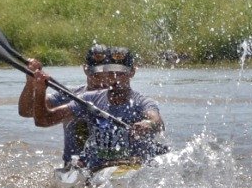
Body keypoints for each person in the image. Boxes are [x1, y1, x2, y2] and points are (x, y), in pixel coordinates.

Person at [31, 46, 167, 172]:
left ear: (132, 72)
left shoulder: (142, 102)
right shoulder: (89, 100)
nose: (115, 78)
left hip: (131, 167)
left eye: (121, 73)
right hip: (99, 170)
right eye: (110, 72)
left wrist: (149, 124)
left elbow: (157, 121)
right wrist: (40, 90)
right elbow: (42, 120)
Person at [17, 44, 115, 169]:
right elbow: (25, 111)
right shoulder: (70, 95)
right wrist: (30, 83)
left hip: (108, 165)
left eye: (106, 73)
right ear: (85, 69)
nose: (101, 79)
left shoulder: (122, 98)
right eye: (95, 73)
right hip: (74, 167)